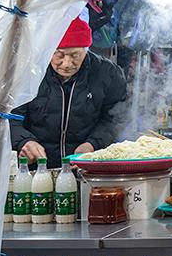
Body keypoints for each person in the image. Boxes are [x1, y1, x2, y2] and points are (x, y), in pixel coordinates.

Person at [9, 16, 127, 168]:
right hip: (37, 167)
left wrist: (93, 144)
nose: (66, 64)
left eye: (75, 55)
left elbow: (115, 118)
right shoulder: (29, 72)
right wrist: (24, 141)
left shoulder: (108, 73)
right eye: (58, 54)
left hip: (86, 166)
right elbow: (10, 117)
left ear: (86, 50)